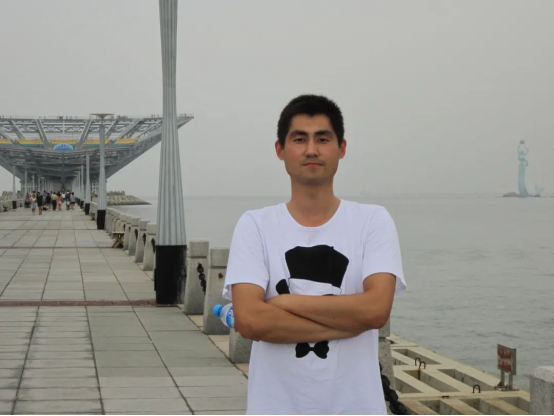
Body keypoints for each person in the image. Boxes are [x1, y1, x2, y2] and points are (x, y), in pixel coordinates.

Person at [223, 95, 407, 415]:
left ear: (341, 148)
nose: (311, 150)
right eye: (299, 139)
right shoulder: (255, 225)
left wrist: (283, 303)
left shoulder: (372, 221)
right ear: (280, 150)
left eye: (322, 139)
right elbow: (250, 320)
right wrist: (350, 323)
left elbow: (376, 310)